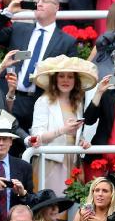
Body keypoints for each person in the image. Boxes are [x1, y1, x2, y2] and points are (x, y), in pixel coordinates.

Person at [0, 0, 77, 132]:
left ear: (57, 7)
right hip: (10, 97)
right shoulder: (19, 29)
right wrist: (8, 12)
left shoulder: (67, 41)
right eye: (37, 1)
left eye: (44, 1)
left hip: (41, 100)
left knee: (33, 146)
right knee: (6, 142)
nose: (39, 4)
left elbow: (70, 78)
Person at [28, 56, 98, 194]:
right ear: (55, 79)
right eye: (61, 76)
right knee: (52, 204)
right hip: (50, 161)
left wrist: (82, 141)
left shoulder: (77, 103)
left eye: (70, 77)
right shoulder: (43, 101)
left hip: (72, 160)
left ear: (75, 81)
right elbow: (36, 137)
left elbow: (75, 133)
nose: (66, 80)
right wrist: (62, 130)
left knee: (70, 205)